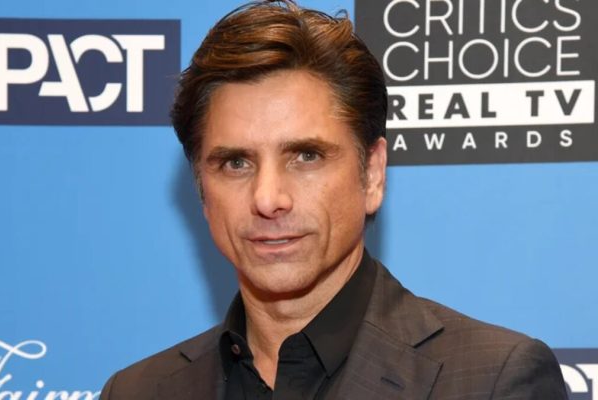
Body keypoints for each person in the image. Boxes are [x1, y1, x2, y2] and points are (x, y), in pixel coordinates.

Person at [99, 1, 567, 398]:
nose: (268, 198)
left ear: (372, 174)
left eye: (306, 156)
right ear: (202, 189)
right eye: (236, 163)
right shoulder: (139, 390)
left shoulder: (492, 380)